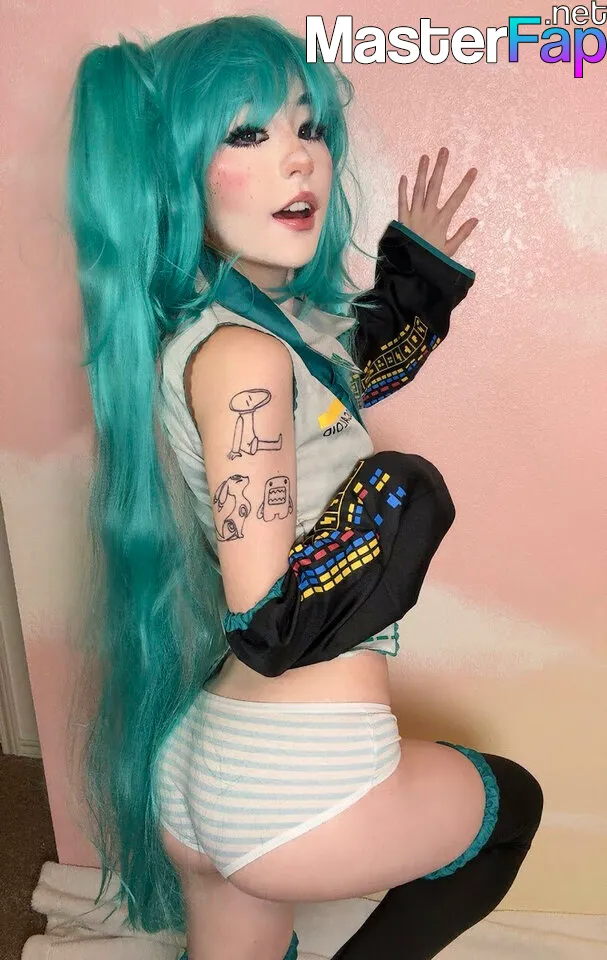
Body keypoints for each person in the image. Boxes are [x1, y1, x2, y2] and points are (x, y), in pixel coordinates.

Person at [64, 14, 544, 960]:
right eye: (248, 133)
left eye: (309, 127)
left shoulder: (229, 335)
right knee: (511, 807)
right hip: (290, 778)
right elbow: (269, 620)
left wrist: (416, 273)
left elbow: (349, 375)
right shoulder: (244, 358)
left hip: (205, 761)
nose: (299, 159)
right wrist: (392, 508)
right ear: (175, 176)